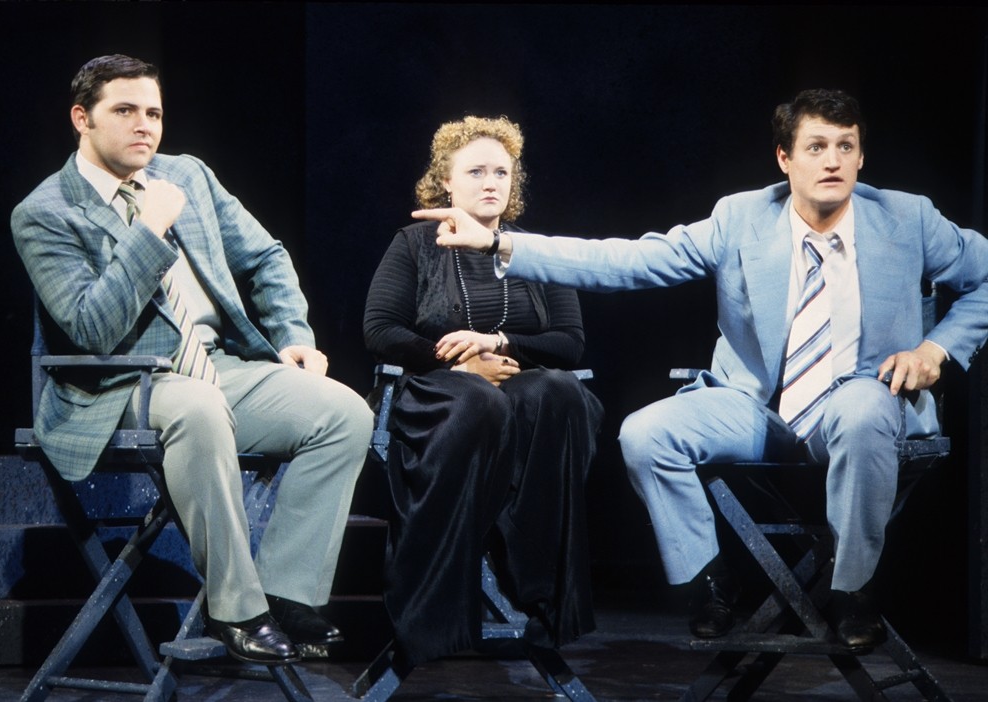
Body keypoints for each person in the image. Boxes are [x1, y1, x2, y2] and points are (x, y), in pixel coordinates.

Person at [412, 90, 988, 649]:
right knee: (645, 433)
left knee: (861, 411)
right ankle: (710, 581)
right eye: (815, 147)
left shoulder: (907, 219)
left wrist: (934, 351)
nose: (832, 161)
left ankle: (852, 590)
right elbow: (631, 260)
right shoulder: (740, 218)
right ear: (784, 158)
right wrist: (499, 245)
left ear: (861, 157)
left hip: (862, 399)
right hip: (757, 407)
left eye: (845, 146)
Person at [11, 54, 373, 664]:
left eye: (153, 113)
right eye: (124, 111)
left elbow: (266, 256)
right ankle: (238, 609)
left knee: (345, 413)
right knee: (198, 407)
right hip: (117, 383)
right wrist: (148, 231)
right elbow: (92, 329)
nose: (144, 126)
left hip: (216, 364)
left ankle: (287, 593)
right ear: (82, 118)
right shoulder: (45, 212)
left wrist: (293, 334)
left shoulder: (189, 176)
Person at [363, 116, 604, 667]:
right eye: (475, 172)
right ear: (446, 182)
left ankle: (544, 594)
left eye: (501, 172)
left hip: (523, 396)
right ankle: (435, 614)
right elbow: (380, 330)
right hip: (439, 394)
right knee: (480, 401)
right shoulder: (415, 244)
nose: (490, 182)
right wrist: (461, 363)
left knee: (561, 393)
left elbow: (569, 342)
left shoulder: (533, 251)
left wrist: (501, 343)